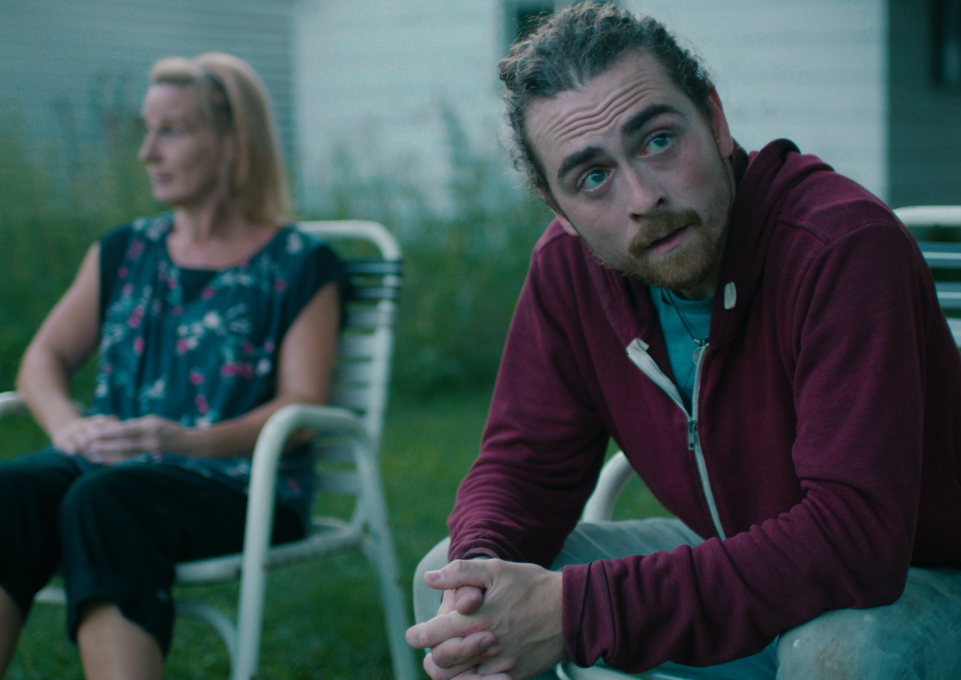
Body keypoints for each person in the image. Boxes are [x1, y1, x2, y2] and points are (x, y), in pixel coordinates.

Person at [406, 3, 961, 679]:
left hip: (918, 580)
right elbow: (525, 463)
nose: (642, 196)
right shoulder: (567, 269)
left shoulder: (839, 247)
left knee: (838, 654)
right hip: (742, 563)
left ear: (714, 118)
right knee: (448, 581)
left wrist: (580, 610)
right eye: (592, 177)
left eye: (658, 140)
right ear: (561, 214)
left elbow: (856, 537)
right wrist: (480, 574)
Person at [0, 53, 344, 679]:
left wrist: (185, 440)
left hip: (240, 487)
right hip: (110, 469)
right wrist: (64, 425)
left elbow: (298, 412)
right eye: (146, 130)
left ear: (234, 141)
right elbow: (43, 358)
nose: (147, 152)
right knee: (12, 489)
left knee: (104, 501)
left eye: (173, 131)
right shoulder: (125, 249)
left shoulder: (301, 264)